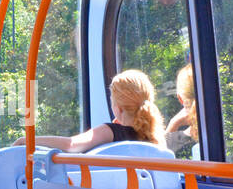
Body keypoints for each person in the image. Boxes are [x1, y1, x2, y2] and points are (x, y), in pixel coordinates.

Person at [18, 69, 166, 153]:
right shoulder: (156, 140)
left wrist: (26, 141)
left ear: (117, 108)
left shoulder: (111, 132)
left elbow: (71, 145)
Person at [165, 64, 199, 154]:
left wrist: (173, 123)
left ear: (180, 99)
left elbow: (159, 159)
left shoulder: (173, 146)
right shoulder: (227, 129)